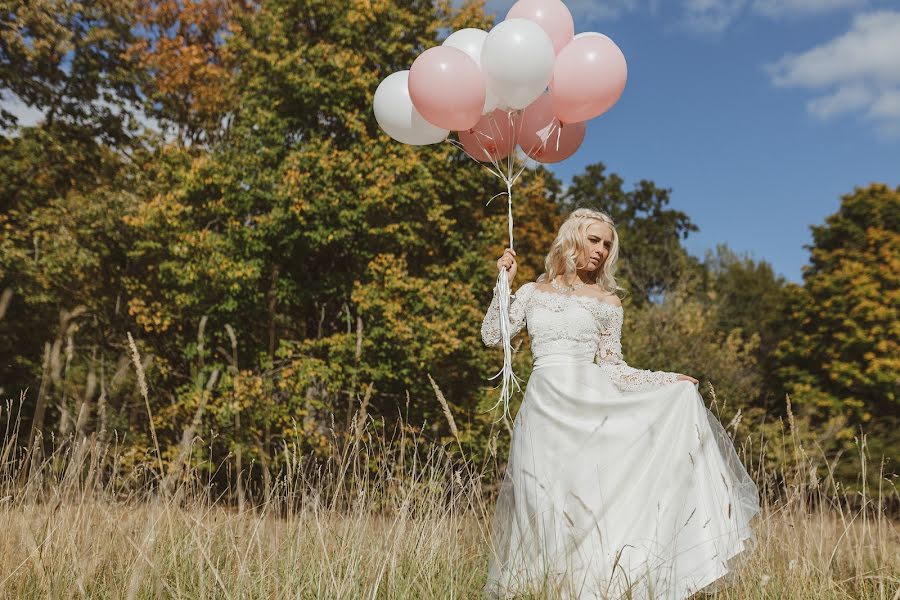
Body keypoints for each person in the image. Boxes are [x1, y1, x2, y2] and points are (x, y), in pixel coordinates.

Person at [480, 208, 759, 599]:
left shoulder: (608, 302)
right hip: (543, 410)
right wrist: (503, 284)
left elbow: (614, 368)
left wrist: (666, 381)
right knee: (538, 504)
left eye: (607, 244)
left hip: (590, 408)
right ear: (572, 237)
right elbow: (494, 335)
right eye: (594, 240)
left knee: (585, 508)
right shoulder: (531, 292)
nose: (601, 250)